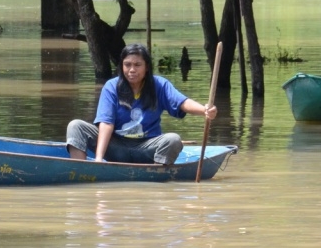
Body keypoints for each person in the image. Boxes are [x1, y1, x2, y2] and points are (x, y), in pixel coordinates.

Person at [66, 43, 217, 166]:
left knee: (173, 140)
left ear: (147, 67)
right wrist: (99, 159)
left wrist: (204, 110)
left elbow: (182, 102)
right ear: (121, 66)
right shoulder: (111, 87)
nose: (132, 70)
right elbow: (106, 123)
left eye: (137, 65)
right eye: (127, 65)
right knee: (76, 126)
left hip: (147, 147)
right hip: (116, 146)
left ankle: (156, 173)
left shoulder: (159, 85)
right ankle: (81, 170)